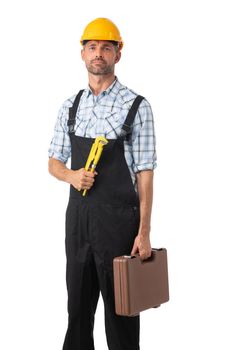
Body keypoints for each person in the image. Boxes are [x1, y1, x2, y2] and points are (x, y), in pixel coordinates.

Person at [48, 17, 157, 350]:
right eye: (92, 47)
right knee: (78, 310)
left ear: (117, 55)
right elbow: (53, 161)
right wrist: (71, 175)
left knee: (121, 312)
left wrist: (144, 231)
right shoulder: (71, 106)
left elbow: (145, 173)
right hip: (78, 222)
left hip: (119, 225)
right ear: (82, 54)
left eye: (106, 48)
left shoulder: (136, 106)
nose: (99, 54)